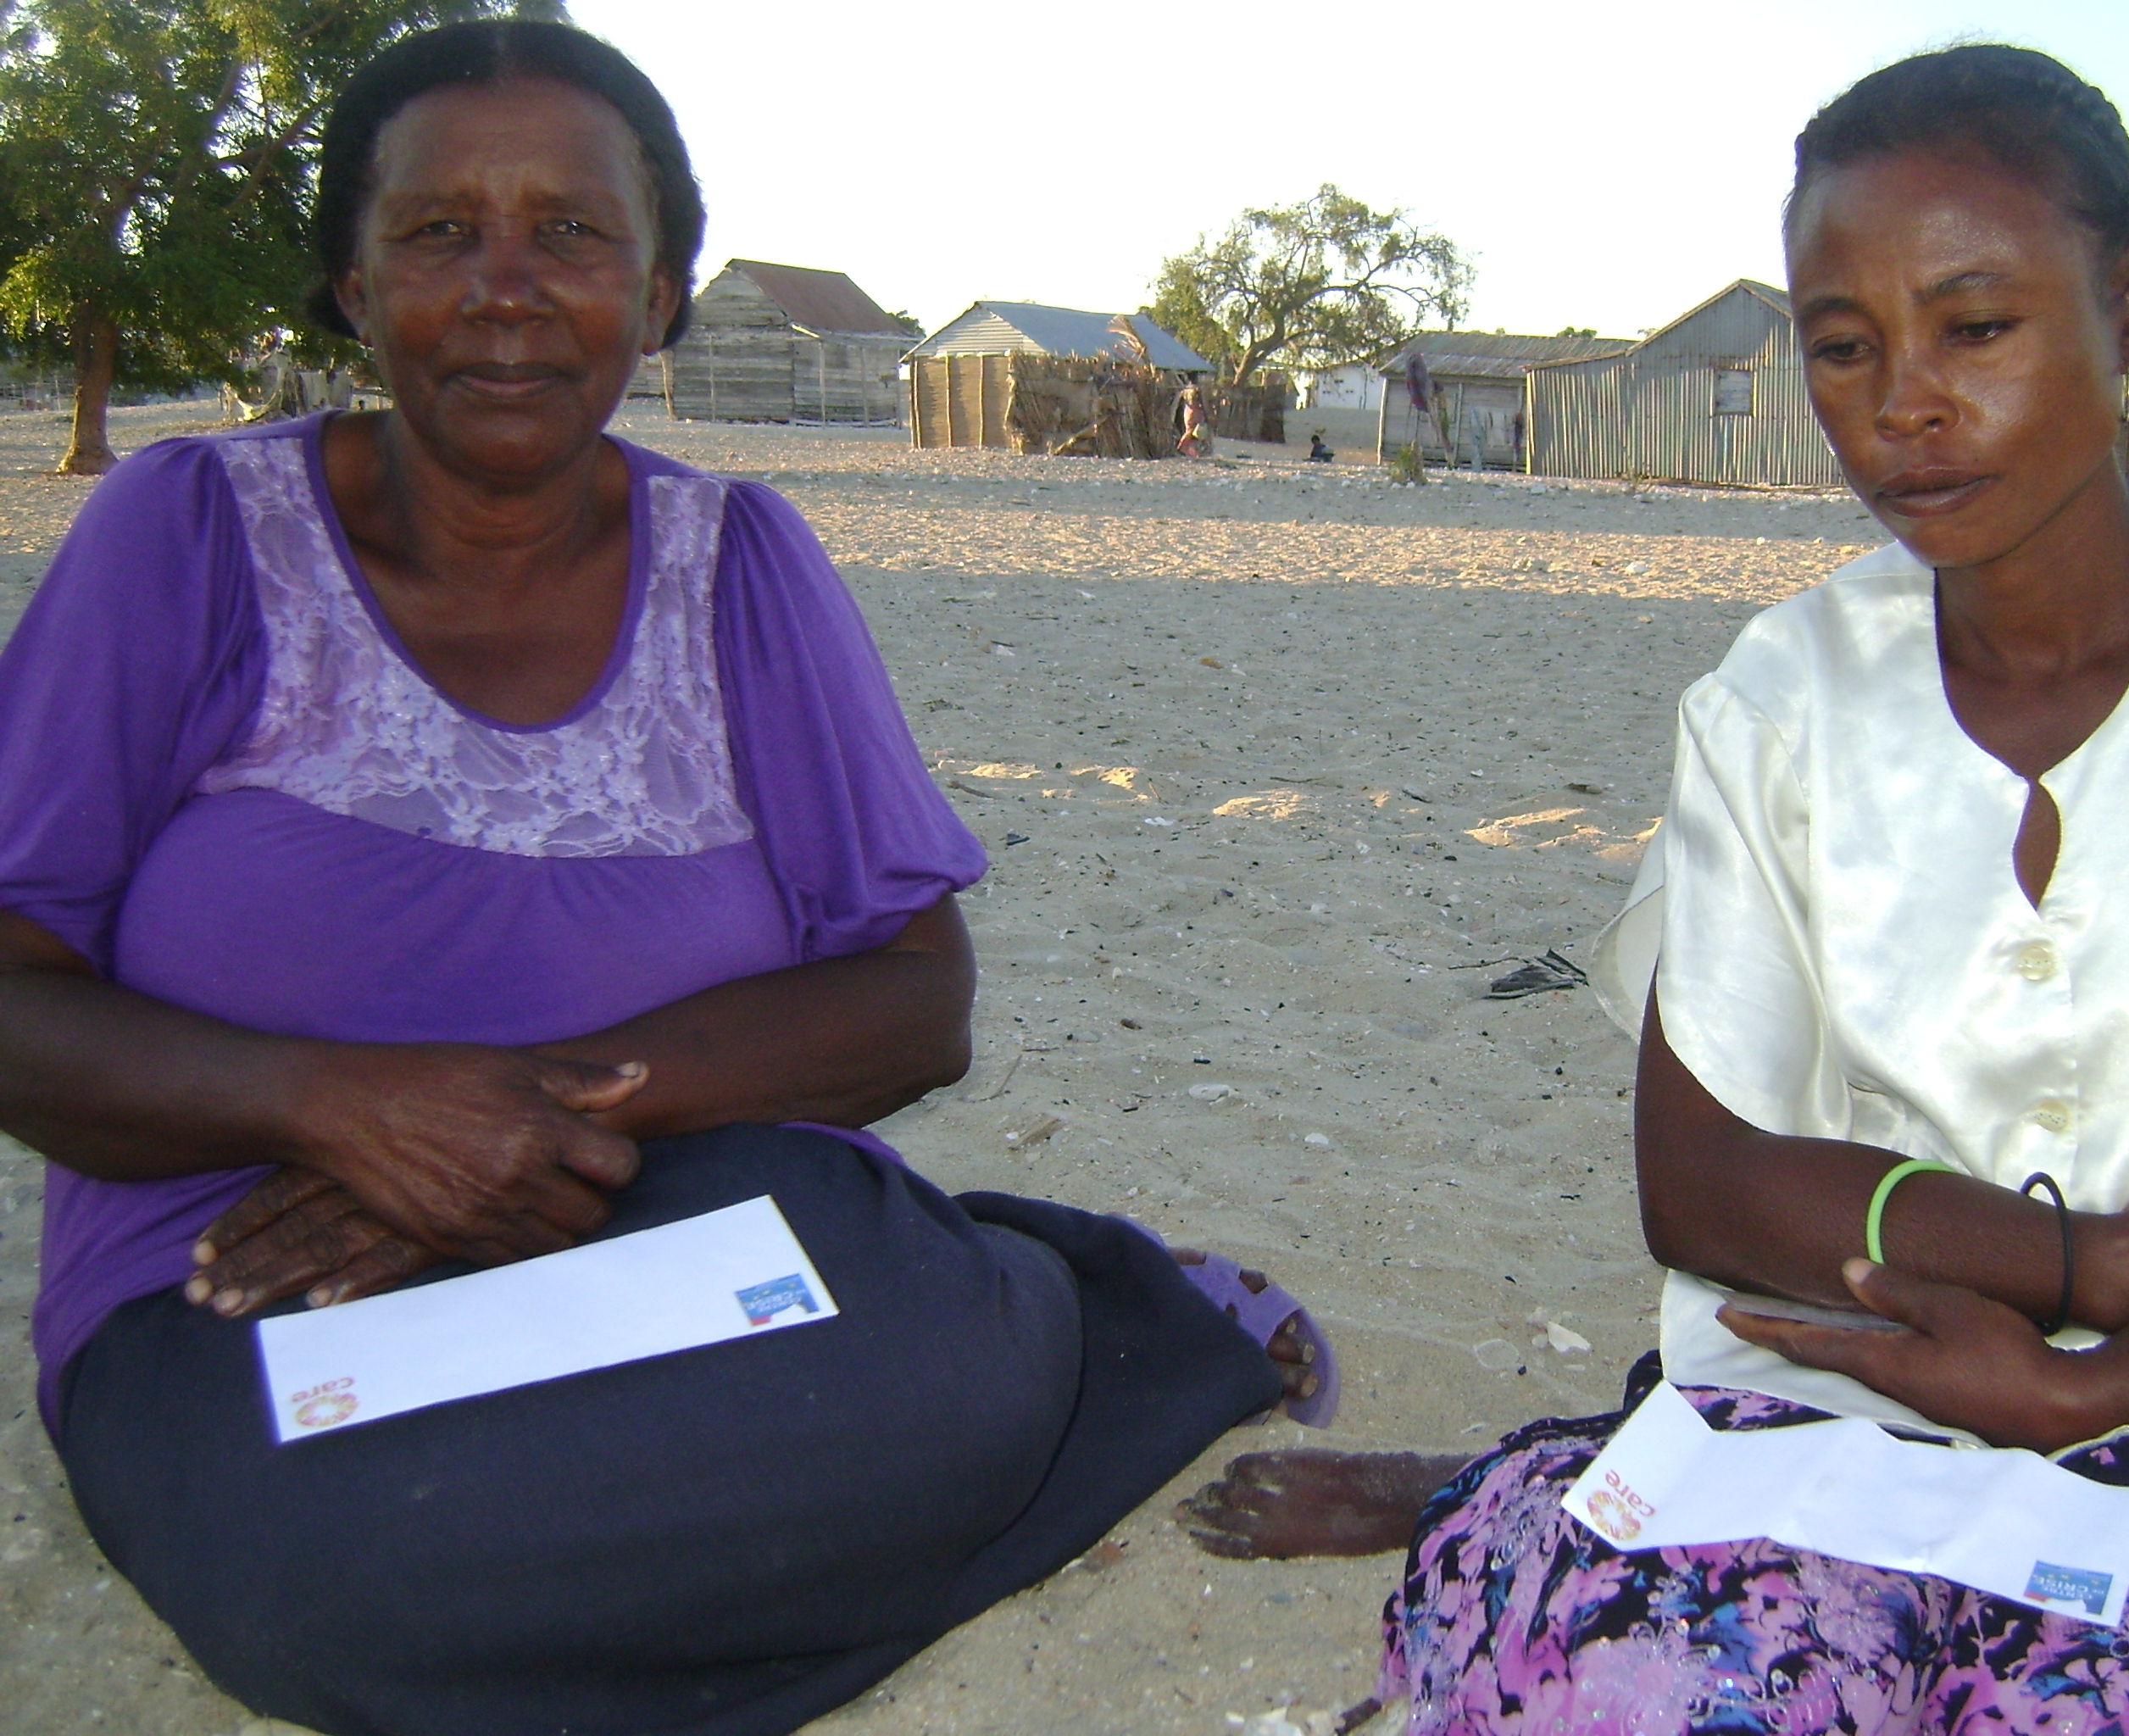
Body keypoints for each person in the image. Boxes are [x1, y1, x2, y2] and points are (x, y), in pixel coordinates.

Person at [1177, 44, 2129, 1734]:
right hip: (1832, 1409)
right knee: (1635, 1684)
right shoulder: (1784, 696)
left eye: (1975, 326)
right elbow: (1703, 1178)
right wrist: (2092, 1262)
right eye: (1843, 348)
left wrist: (2108, 1383)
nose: (1903, 400)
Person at [0, 21, 1333, 1736]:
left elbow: (916, 997)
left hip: (659, 1215)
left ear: (662, 293)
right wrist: (334, 1109)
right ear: (348, 281)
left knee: (947, 1374)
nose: (505, 288)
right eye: (437, 232)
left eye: (571, 233)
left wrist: (507, 1121)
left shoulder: (744, 571)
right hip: (246, 1276)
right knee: (331, 1579)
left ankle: (1053, 1305)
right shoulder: (186, 542)